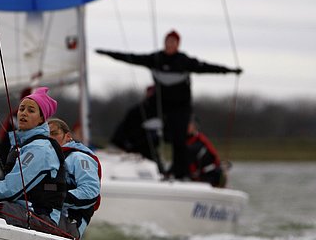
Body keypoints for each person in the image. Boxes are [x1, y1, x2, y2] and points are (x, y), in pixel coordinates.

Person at [96, 30, 242, 179]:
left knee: (179, 139)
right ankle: (116, 145)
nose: (169, 44)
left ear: (178, 45)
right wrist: (106, 53)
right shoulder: (155, 58)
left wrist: (230, 71)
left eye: (173, 42)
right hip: (159, 102)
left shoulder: (184, 61)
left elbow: (206, 67)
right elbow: (131, 58)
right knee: (134, 115)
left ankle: (179, 173)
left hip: (180, 106)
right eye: (167, 41)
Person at [0, 88, 67, 232]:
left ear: (41, 118)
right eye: (21, 109)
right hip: (22, 210)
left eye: (31, 110)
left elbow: (12, 188)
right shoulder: (24, 145)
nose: (23, 113)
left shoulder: (40, 149)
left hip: (41, 217)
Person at [49, 118, 102, 239]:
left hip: (69, 222)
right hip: (47, 216)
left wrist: (56, 198)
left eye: (54, 133)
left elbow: (91, 191)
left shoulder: (78, 157)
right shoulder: (46, 159)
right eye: (46, 135)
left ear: (67, 136)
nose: (50, 138)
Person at [109, 85, 162, 163]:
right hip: (137, 149)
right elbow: (126, 128)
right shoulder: (138, 111)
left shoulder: (160, 111)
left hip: (149, 150)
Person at [186, 118, 226, 187]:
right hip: (195, 178)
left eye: (189, 125)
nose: (185, 127)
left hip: (210, 177)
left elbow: (189, 153)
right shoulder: (186, 140)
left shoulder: (200, 142)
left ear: (195, 127)